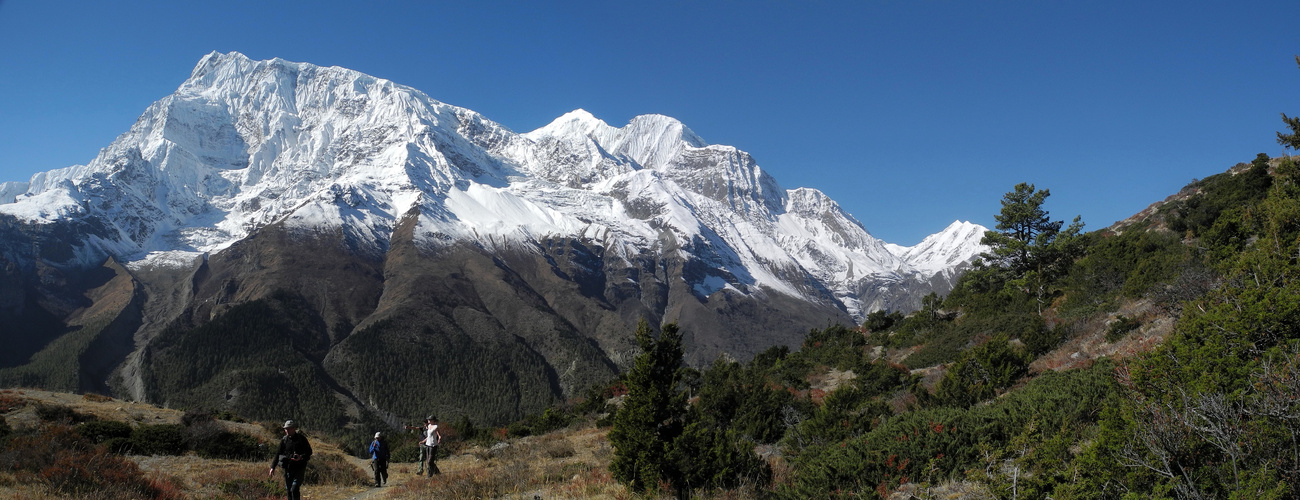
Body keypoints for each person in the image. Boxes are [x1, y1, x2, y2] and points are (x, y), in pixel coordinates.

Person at [269, 419, 313, 500]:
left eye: (289, 428)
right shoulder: (284, 440)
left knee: (294, 489)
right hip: (288, 469)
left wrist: (301, 457)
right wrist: (272, 467)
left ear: (294, 428)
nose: (287, 430)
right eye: (286, 429)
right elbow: (278, 453)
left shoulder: (301, 439)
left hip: (299, 468)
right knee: (289, 491)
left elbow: (309, 452)